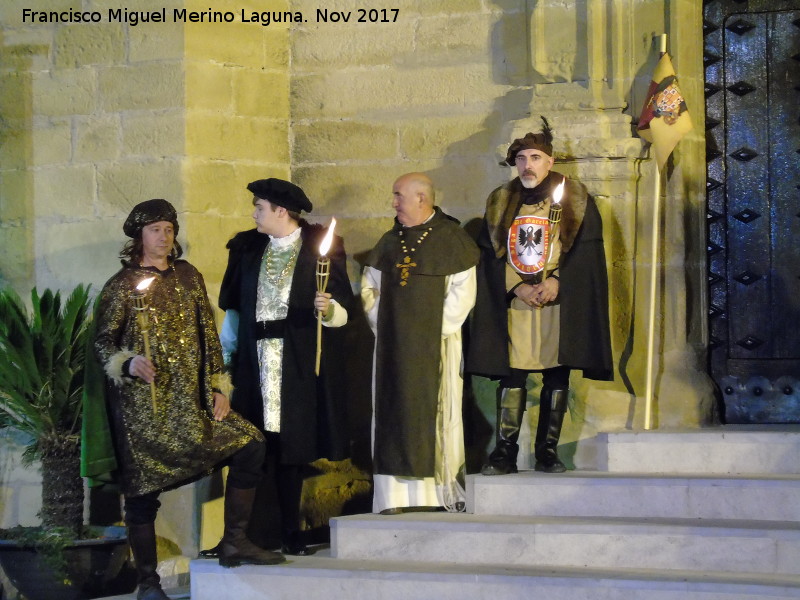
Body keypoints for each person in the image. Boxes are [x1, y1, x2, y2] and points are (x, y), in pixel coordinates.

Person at [93, 200, 284, 600]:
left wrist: (217, 388)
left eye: (168, 229)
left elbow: (206, 333)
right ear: (139, 237)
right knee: (142, 494)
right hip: (145, 410)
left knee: (251, 445)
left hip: (192, 402)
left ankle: (234, 541)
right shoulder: (121, 286)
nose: (164, 237)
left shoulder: (188, 276)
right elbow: (102, 344)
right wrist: (127, 364)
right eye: (155, 230)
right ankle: (148, 582)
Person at [208, 178, 354, 556]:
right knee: (254, 445)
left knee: (291, 447)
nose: (254, 214)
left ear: (281, 211)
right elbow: (235, 315)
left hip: (296, 361)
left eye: (259, 207)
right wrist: (225, 364)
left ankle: (290, 530)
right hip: (254, 363)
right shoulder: (247, 248)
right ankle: (246, 534)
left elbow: (341, 313)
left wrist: (329, 309)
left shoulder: (319, 249)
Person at [466, 118, 613, 475]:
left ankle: (547, 451)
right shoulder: (501, 201)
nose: (527, 165)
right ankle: (504, 452)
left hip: (555, 302)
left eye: (534, 157)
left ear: (550, 161)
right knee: (512, 375)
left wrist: (558, 281)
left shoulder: (574, 198)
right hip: (516, 300)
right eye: (520, 158)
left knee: (556, 376)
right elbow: (491, 254)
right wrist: (516, 286)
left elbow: (583, 253)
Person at [361, 173, 479, 514]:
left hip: (436, 344)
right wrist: (389, 324)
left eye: (398, 195)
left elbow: (463, 294)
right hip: (392, 346)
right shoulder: (388, 240)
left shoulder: (451, 239)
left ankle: (434, 495)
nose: (393, 201)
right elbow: (369, 291)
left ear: (421, 199)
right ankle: (392, 499)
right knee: (391, 412)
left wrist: (427, 329)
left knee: (437, 412)